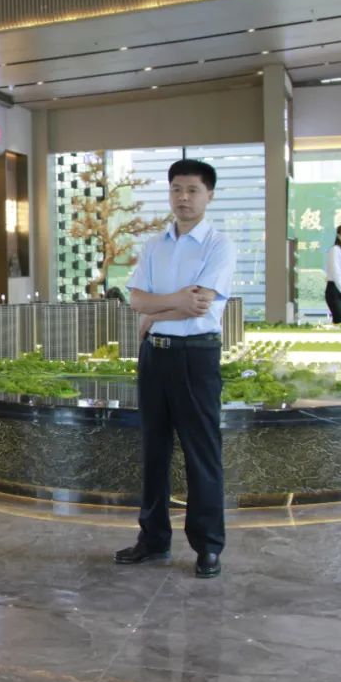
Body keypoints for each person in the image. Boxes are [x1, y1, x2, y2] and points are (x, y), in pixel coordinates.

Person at [114, 159, 236, 579]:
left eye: (192, 190)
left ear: (209, 195)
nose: (183, 198)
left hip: (195, 356)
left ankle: (208, 546)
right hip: (155, 355)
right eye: (176, 190)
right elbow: (135, 301)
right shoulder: (154, 245)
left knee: (202, 453)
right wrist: (167, 304)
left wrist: (155, 309)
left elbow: (198, 304)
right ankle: (153, 539)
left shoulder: (219, 245)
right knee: (154, 449)